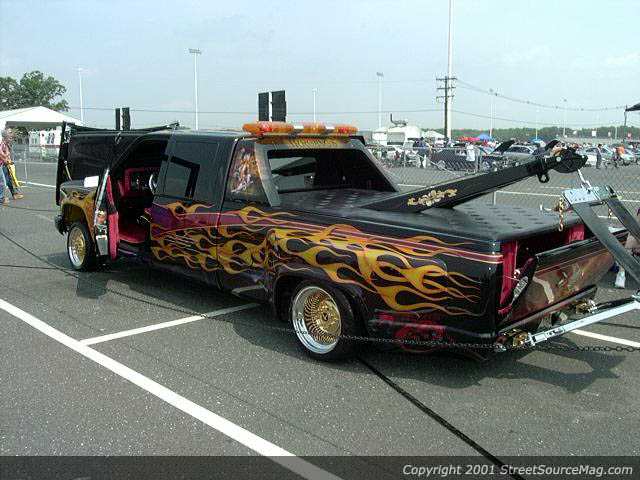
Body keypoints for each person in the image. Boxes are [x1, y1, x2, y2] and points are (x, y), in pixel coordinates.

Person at [0, 129, 24, 200]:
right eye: (10, 138)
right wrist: (6, 159)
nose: (11, 139)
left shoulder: (6, 144)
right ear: (5, 137)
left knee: (9, 179)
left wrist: (9, 160)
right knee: (4, 181)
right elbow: (1, 154)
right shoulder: (2, 144)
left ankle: (14, 194)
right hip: (3, 164)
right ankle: (2, 197)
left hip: (5, 164)